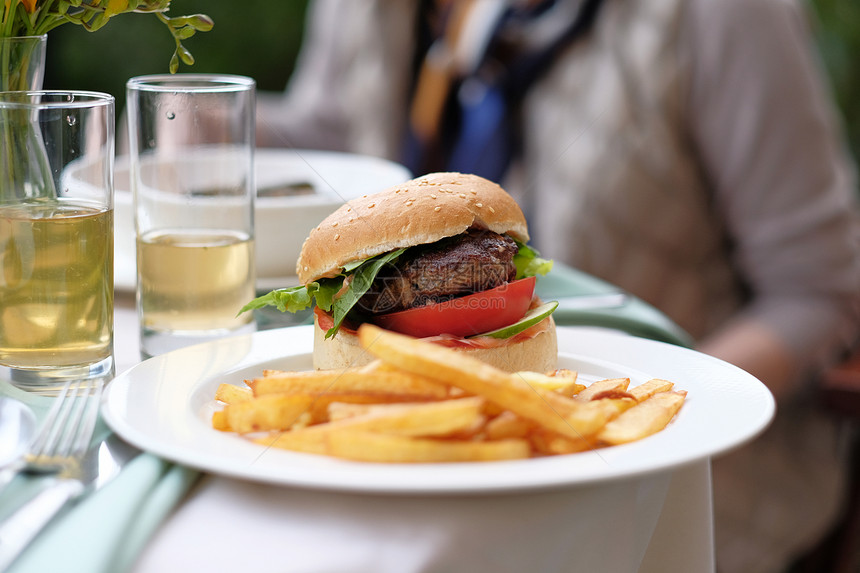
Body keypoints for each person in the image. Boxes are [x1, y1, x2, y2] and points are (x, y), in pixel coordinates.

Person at [256, 0, 860, 571]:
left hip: (677, 476)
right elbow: (334, 131)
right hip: (388, 480)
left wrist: (665, 419)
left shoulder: (721, 15)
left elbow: (820, 288)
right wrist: (199, 126)